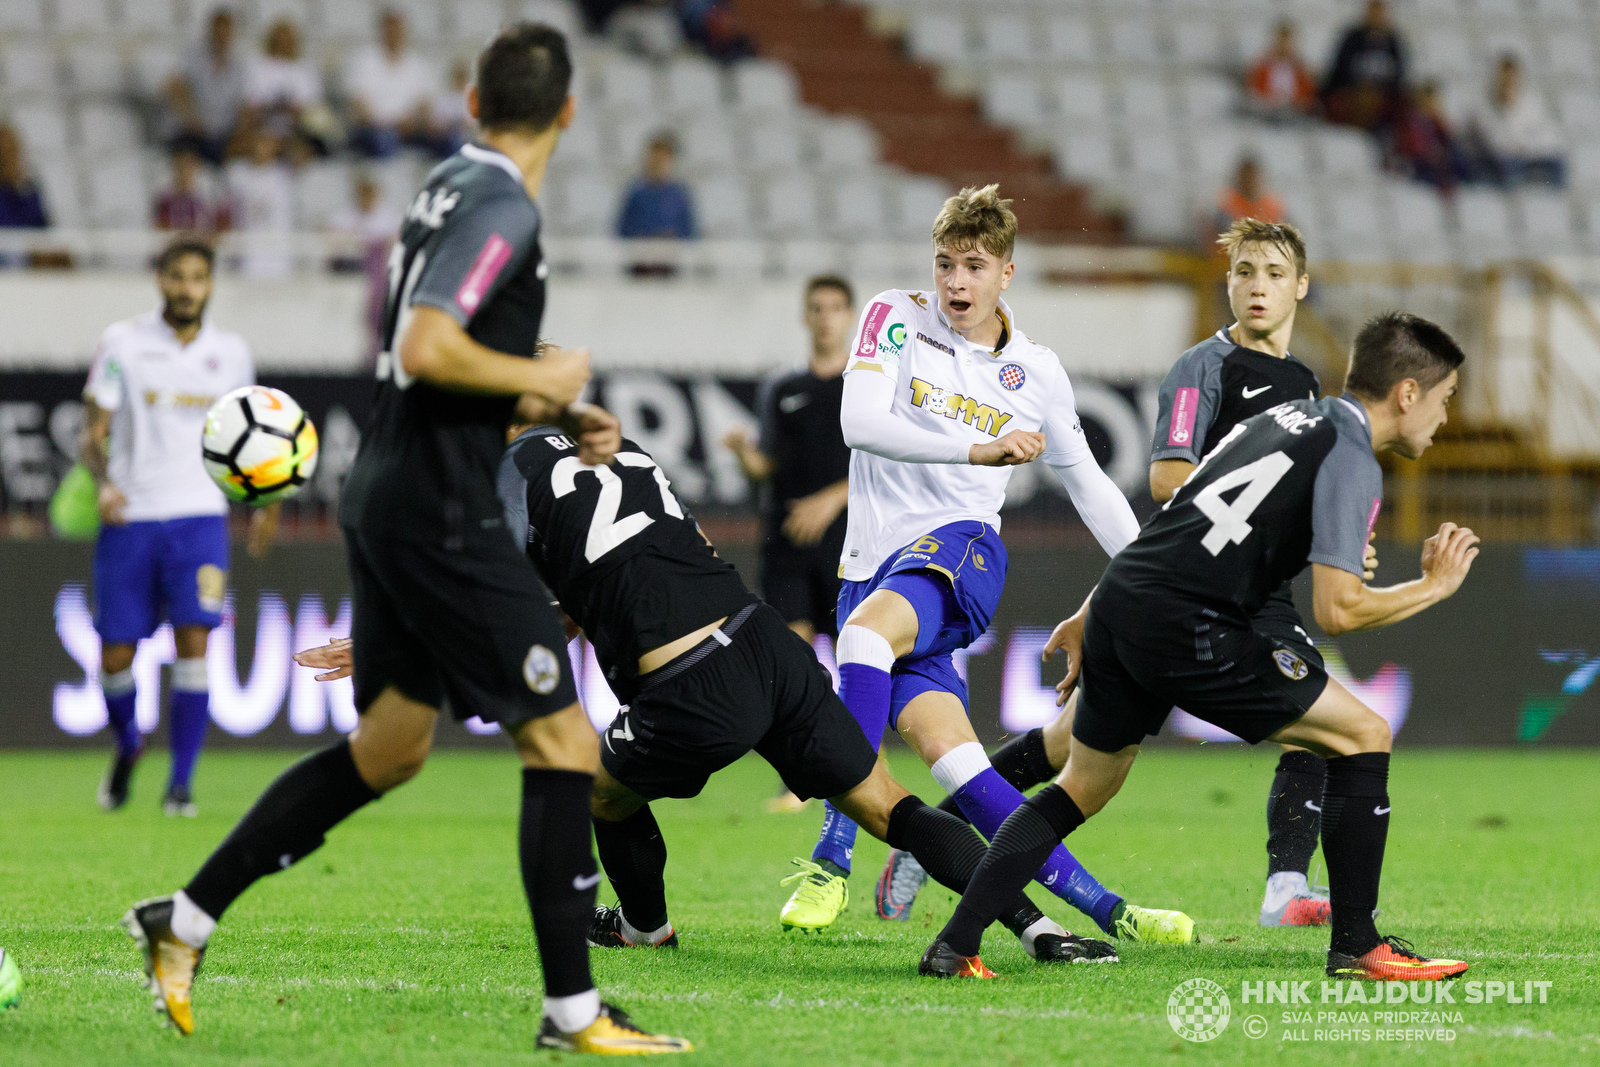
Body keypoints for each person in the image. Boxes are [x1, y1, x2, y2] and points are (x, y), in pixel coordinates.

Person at [117, 23, 686, 1054]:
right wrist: (550, 379)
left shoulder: (440, 189)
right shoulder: (504, 202)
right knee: (561, 740)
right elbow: (430, 346)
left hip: (386, 483)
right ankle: (574, 1011)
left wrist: (542, 408)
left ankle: (183, 919)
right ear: (567, 111)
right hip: (441, 506)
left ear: (471, 104)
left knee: (387, 748)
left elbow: (430, 358)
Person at [920, 313, 1479, 983]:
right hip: (1190, 624)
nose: (1445, 419)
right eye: (1445, 399)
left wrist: (1093, 609)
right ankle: (1358, 944)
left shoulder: (1277, 420)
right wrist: (1434, 586)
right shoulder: (1351, 455)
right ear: (1409, 392)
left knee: (1081, 786)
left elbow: (1180, 520)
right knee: (1364, 732)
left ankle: (954, 943)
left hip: (1128, 596)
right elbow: (1339, 607)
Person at [487, 422, 1113, 967]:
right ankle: (1039, 929)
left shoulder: (510, 471)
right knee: (888, 804)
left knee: (600, 791)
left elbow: (518, 595)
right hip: (765, 645)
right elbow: (689, 546)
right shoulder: (622, 448)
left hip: (688, 684)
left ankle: (644, 929)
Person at [780, 185, 1194, 950]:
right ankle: (1108, 912)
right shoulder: (895, 317)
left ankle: (830, 857)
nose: (956, 283)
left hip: (958, 552)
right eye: (945, 264)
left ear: (1008, 271)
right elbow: (858, 423)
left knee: (865, 644)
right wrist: (977, 445)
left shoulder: (1035, 371)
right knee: (964, 774)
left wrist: (1153, 573)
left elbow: (1090, 483)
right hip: (870, 570)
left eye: (974, 266)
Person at [905, 220, 1346, 930]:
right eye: (1243, 272)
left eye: (1271, 272)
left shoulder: (1304, 383)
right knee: (1070, 748)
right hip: (1192, 587)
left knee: (1322, 722)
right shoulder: (1203, 367)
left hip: (1259, 593)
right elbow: (1170, 476)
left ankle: (1285, 887)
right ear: (1227, 284)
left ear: (1300, 285)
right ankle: (937, 832)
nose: (1256, 286)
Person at [82, 236, 275, 818]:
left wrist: (266, 504)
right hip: (133, 515)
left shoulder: (233, 354)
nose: (188, 288)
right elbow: (94, 434)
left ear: (210, 284)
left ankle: (181, 784)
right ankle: (128, 746)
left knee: (195, 641)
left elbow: (257, 439)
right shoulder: (123, 342)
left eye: (198, 277)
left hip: (201, 520)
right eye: (178, 276)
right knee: (115, 655)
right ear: (160, 279)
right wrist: (103, 484)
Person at [724, 274, 855, 815]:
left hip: (848, 543)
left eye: (834, 308)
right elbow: (767, 469)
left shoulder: (866, 384)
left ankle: (857, 770)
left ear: (849, 316)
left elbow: (885, 465)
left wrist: (829, 500)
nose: (824, 317)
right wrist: (741, 453)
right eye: (816, 308)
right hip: (786, 546)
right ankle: (799, 781)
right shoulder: (782, 388)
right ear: (805, 316)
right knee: (795, 666)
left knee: (855, 662)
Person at [344, 9, 442, 159]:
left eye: (397, 28)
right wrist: (385, 125)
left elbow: (425, 104)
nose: (393, 33)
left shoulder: (418, 64)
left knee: (449, 141)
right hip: (374, 130)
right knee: (384, 140)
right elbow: (358, 105)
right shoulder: (363, 61)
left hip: (410, 130)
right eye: (389, 28)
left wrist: (409, 123)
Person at [1469, 53, 1565, 189]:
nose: (1508, 80)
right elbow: (1493, 140)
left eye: (1512, 76)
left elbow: (1546, 133)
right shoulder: (1482, 104)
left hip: (1528, 154)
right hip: (1501, 160)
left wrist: (1526, 147)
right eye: (1504, 76)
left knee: (1558, 162)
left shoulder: (1531, 101)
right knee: (1508, 164)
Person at [163, 7, 246, 164]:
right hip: (191, 132)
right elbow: (173, 86)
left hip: (221, 135)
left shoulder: (238, 67)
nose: (222, 36)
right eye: (219, 31)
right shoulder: (192, 55)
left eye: (226, 32)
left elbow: (241, 106)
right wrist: (191, 117)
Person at [1322, 0, 1407, 131]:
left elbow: (1399, 74)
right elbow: (1340, 70)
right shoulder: (1352, 38)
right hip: (1354, 92)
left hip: (1383, 94)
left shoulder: (1392, 41)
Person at [1392, 81, 1471, 194]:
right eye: (1429, 100)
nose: (1432, 104)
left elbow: (1447, 140)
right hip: (1418, 165)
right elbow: (1415, 149)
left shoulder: (1434, 122)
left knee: (1458, 158)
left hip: (1436, 163)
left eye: (1434, 101)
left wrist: (1439, 122)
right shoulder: (1411, 122)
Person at [616, 134, 695, 240]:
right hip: (640, 253)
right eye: (655, 159)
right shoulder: (636, 194)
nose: (658, 164)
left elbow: (689, 232)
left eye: (662, 160)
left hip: (672, 254)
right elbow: (623, 231)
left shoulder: (679, 197)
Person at [1245, 20, 1318, 120]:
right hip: (1266, 110)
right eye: (1280, 40)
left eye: (1287, 41)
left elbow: (1307, 94)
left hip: (1292, 111)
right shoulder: (1264, 65)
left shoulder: (1299, 68)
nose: (1283, 45)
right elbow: (1254, 90)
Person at [154, 149, 231, 232]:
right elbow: (159, 225)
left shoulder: (208, 195)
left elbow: (222, 224)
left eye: (188, 165)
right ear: (174, 167)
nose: (184, 170)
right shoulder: (164, 197)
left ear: (196, 166)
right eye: (180, 165)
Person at [1213, 155, 1285, 235]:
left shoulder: (1274, 207)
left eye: (1252, 176)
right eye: (1246, 176)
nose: (1249, 181)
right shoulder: (1227, 206)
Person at [0, 124, 48, 229]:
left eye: (12, 151)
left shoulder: (28, 191)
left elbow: (44, 231)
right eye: (3, 154)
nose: (8, 160)